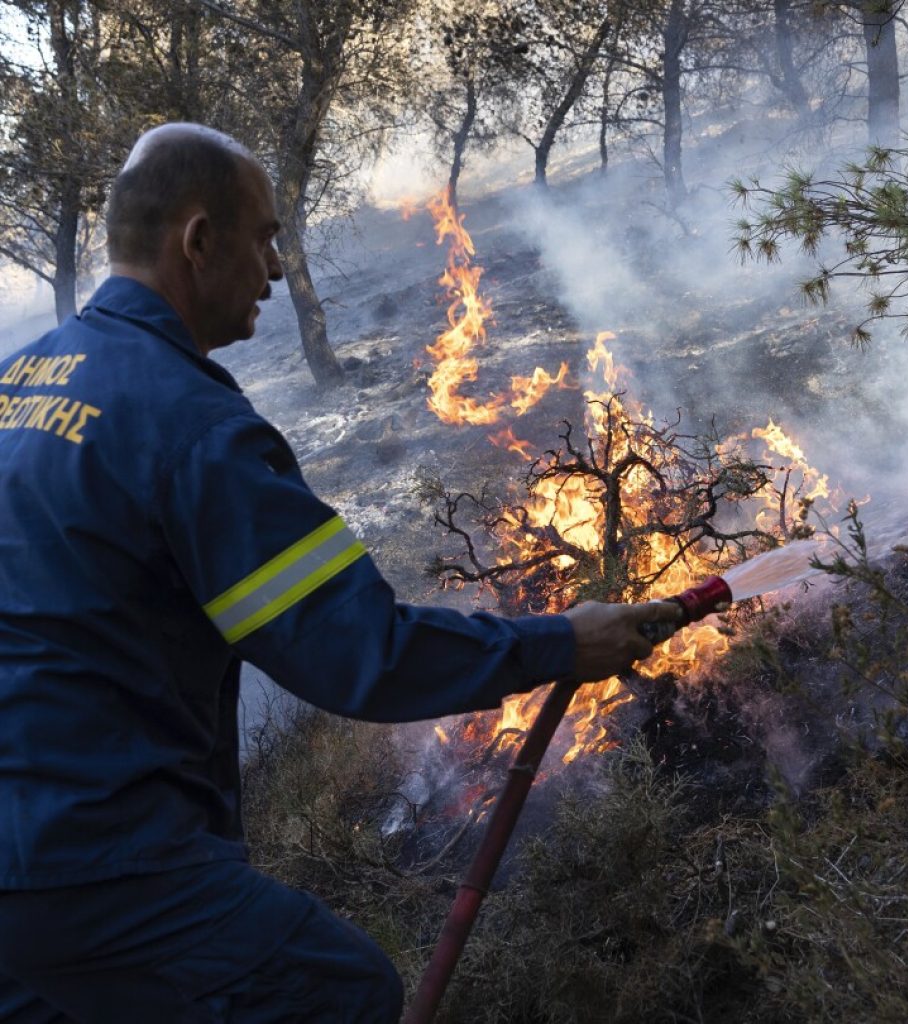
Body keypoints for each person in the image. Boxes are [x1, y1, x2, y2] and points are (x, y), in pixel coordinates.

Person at [0, 124, 681, 1023]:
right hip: (95, 860)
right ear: (199, 240)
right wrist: (562, 641)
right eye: (265, 237)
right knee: (341, 992)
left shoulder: (19, 380)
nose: (276, 271)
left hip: (28, 855)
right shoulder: (190, 427)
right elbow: (358, 652)